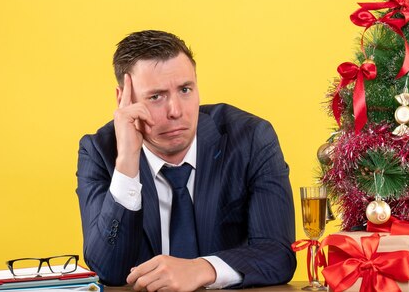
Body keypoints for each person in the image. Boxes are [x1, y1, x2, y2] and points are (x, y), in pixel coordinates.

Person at [76, 30, 296, 290]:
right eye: (156, 96)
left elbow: (278, 254)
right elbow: (107, 269)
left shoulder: (250, 139)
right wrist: (126, 163)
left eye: (185, 89)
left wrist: (202, 269)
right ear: (123, 99)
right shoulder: (99, 151)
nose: (176, 111)